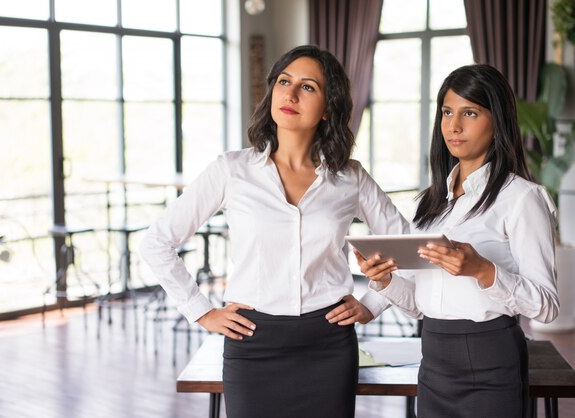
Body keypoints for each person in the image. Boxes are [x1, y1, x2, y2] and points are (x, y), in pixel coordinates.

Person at [140, 45, 409, 418]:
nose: (291, 94)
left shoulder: (351, 178)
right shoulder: (231, 170)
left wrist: (372, 305)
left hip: (328, 344)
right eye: (284, 81)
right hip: (252, 344)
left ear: (329, 107)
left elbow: (410, 251)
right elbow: (156, 242)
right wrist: (201, 312)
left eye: (308, 87)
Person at [355, 64, 559, 418]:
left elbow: (547, 306)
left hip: (491, 358)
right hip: (433, 358)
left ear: (498, 120)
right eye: (447, 112)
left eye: (470, 113)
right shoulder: (429, 204)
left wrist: (483, 270)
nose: (454, 125)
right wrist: (385, 280)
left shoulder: (522, 198)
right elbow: (420, 305)